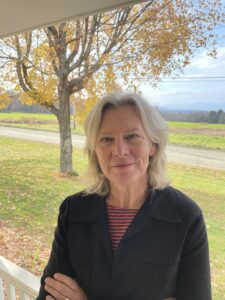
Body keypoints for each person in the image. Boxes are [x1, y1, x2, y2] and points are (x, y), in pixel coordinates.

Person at [37, 93, 211, 300]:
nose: (119, 150)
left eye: (132, 136)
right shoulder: (73, 211)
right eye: (106, 139)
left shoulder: (185, 216)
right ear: (95, 151)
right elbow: (49, 294)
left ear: (153, 145)